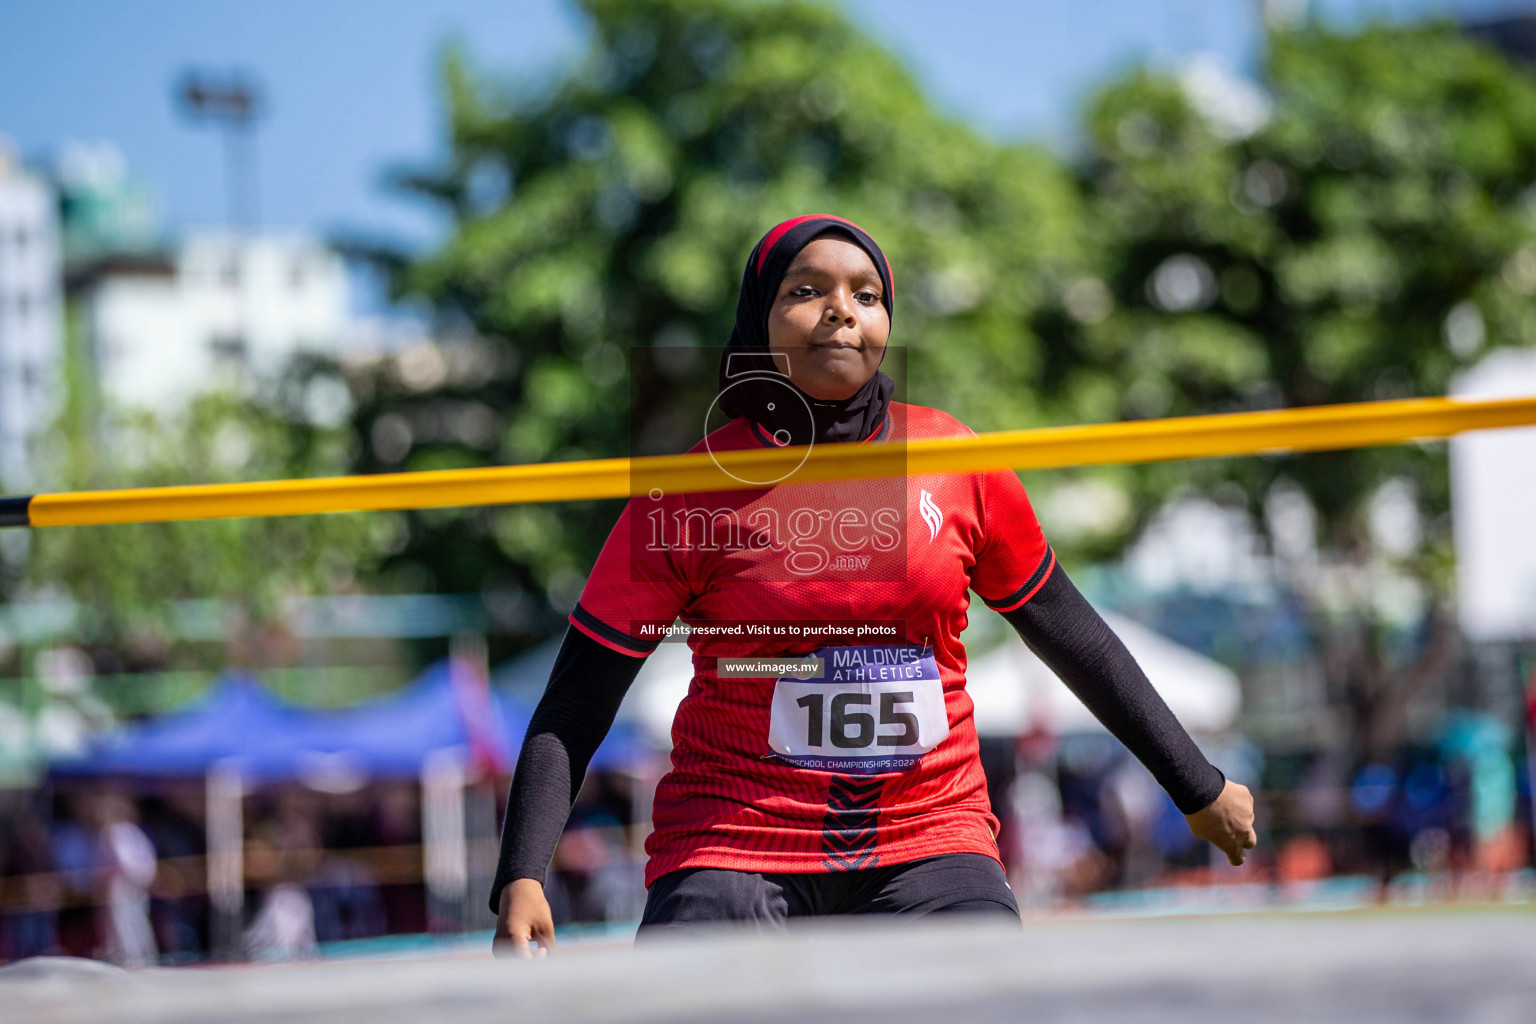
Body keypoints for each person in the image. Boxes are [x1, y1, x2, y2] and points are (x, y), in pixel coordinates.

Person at [491, 214, 1256, 956]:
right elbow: (575, 704)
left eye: (866, 294)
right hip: (732, 841)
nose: (840, 313)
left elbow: (1070, 633)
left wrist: (1196, 786)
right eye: (805, 291)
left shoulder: (956, 460)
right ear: (759, 318)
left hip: (934, 835)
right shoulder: (686, 491)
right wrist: (522, 873)